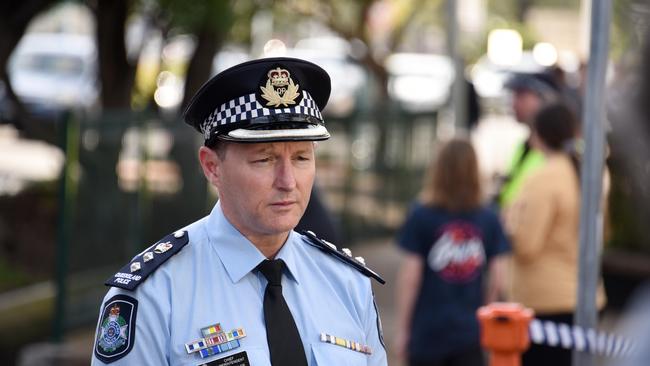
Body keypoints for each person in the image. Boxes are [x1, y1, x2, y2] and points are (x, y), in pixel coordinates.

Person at [91, 57, 387, 366]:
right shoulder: (155, 295)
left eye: (301, 158)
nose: (288, 182)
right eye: (264, 160)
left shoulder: (347, 284)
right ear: (212, 166)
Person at [502, 103, 607, 366]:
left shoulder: (544, 178)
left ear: (538, 133)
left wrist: (507, 225)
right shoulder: (593, 173)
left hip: (546, 302)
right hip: (586, 294)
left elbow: (527, 246)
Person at [394, 138, 510, 366]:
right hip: (470, 333)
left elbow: (410, 277)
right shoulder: (488, 217)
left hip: (427, 331)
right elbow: (499, 279)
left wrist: (404, 330)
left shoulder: (421, 214)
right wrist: (485, 318)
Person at [496, 72, 559, 208]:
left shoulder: (557, 150)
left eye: (521, 96)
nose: (513, 104)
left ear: (545, 99)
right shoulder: (524, 146)